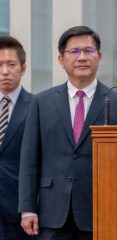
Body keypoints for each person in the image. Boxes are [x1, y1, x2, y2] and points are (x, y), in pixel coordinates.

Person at [18, 26, 117, 239]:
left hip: (101, 210)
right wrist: (27, 207)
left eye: (89, 51)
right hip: (51, 212)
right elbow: (29, 159)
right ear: (61, 60)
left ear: (99, 57)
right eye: (74, 51)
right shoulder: (41, 102)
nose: (82, 57)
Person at [0, 36, 32, 240]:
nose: (4, 71)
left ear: (23, 68)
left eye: (11, 64)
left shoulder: (38, 107)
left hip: (19, 211)